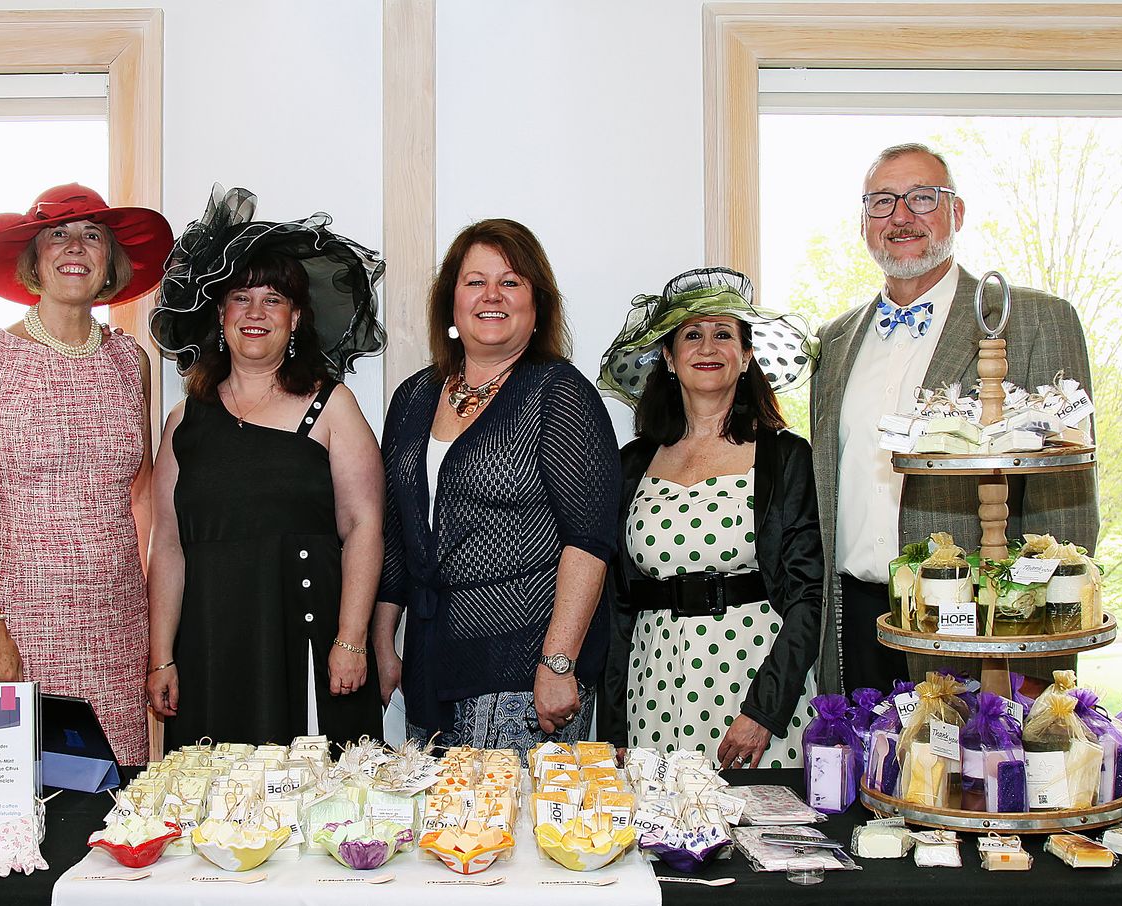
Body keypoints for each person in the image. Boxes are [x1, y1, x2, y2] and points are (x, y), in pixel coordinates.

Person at [809, 142, 1096, 692]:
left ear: (956, 212)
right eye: (882, 202)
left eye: (922, 198)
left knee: (967, 752)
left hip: (979, 625)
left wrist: (1035, 657)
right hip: (854, 619)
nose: (901, 216)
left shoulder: (1033, 320)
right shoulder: (836, 340)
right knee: (864, 752)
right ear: (864, 222)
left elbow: (1067, 500)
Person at [0, 183, 174, 765]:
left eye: (92, 236)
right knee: (19, 795)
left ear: (110, 262)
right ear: (33, 261)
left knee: (115, 800)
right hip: (15, 626)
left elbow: (140, 495)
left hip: (117, 627)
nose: (75, 247)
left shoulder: (133, 361)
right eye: (57, 235)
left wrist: (153, 631)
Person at [145, 186, 387, 749]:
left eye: (273, 300)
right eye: (240, 298)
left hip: (310, 642)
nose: (255, 313)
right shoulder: (183, 420)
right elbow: (168, 546)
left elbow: (365, 526)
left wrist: (351, 637)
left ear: (296, 318)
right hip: (210, 644)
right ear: (220, 314)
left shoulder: (332, 405)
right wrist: (161, 657)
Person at [372, 220, 618, 748]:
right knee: (433, 806)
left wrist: (559, 660)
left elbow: (589, 541)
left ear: (537, 303)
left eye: (510, 282)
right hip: (428, 664)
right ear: (451, 301)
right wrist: (382, 642)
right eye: (475, 281)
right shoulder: (413, 398)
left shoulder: (559, 393)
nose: (491, 296)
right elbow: (396, 535)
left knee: (512, 807)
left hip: (525, 671)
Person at [596, 268, 824, 766]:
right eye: (691, 335)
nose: (707, 347)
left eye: (724, 334)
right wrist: (612, 726)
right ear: (668, 357)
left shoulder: (786, 457)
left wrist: (764, 711)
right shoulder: (631, 464)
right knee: (659, 816)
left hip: (753, 686)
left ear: (746, 356)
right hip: (651, 686)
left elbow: (809, 596)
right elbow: (615, 606)